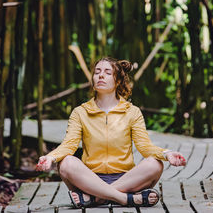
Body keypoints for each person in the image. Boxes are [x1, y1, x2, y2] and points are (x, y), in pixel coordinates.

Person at [36, 57, 186, 208]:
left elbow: (146, 147)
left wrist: (167, 153)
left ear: (118, 81)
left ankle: (95, 198)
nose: (101, 75)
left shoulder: (132, 112)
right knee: (66, 163)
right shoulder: (80, 112)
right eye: (97, 72)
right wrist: (50, 158)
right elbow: (69, 145)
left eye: (107, 72)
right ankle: (124, 199)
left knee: (155, 164)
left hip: (127, 179)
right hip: (89, 179)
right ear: (93, 79)